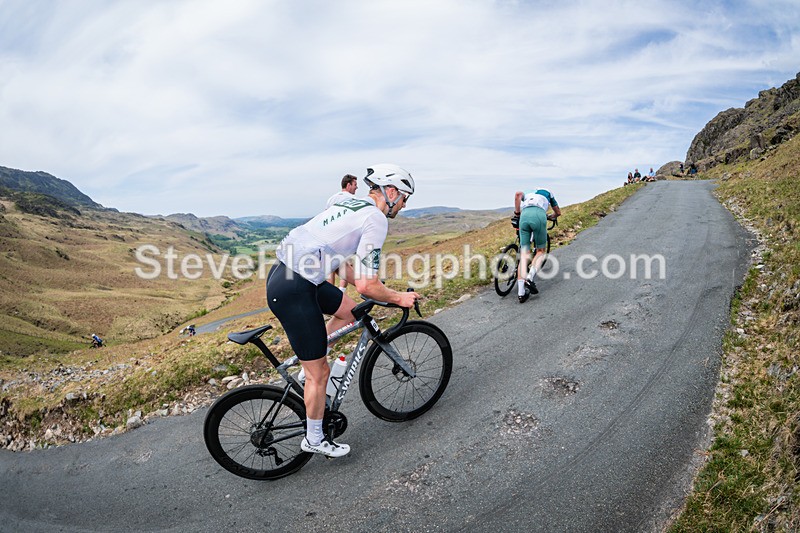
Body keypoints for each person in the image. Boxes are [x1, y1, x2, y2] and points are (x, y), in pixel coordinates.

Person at [267, 164, 419, 457]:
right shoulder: (375, 219)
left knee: (352, 311)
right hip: (295, 289)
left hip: (289, 276)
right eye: (404, 198)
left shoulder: (348, 202)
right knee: (320, 373)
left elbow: (337, 260)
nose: (404, 205)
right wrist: (399, 297)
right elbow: (366, 286)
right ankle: (314, 438)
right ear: (391, 192)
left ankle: (310, 363)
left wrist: (379, 288)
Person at [512, 188, 561, 303]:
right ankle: (530, 278)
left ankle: (521, 294)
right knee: (540, 251)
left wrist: (517, 213)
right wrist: (551, 216)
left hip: (524, 216)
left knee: (524, 255)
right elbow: (558, 213)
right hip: (539, 215)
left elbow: (518, 194)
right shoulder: (549, 193)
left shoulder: (528, 193)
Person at [326, 174, 359, 290]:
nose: (357, 187)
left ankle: (330, 294)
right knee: (347, 265)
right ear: (348, 185)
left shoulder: (331, 199)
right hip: (345, 239)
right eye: (355, 184)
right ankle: (341, 292)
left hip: (330, 238)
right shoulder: (354, 200)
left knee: (330, 267)